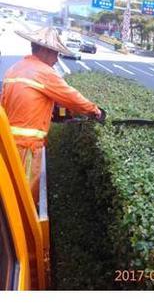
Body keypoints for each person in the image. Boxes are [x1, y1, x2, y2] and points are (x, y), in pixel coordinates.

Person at [0, 27, 101, 204]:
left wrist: (50, 111)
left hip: (6, 145)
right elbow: (72, 97)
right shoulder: (44, 72)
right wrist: (95, 111)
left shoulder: (15, 69)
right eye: (56, 54)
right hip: (27, 149)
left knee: (8, 196)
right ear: (46, 50)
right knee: (25, 200)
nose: (56, 59)